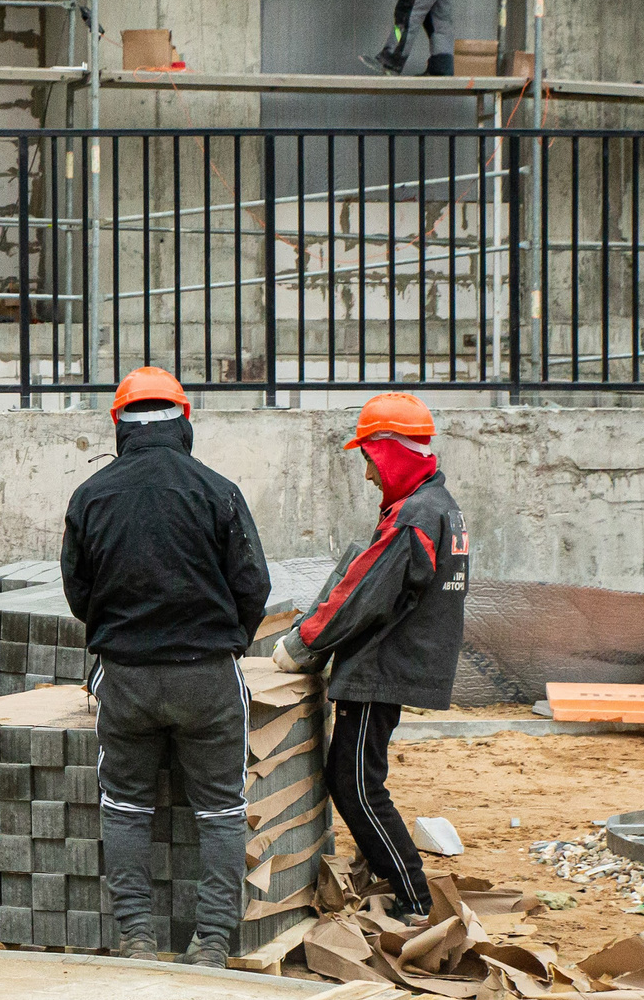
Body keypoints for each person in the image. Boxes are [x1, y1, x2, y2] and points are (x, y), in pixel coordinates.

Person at [60, 366, 271, 969]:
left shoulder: (91, 496)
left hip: (126, 678)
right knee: (221, 810)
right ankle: (211, 944)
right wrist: (227, 642)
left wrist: (122, 637)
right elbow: (252, 586)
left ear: (118, 425)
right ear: (185, 422)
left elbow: (80, 594)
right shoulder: (218, 491)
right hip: (207, 675)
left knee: (126, 806)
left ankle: (136, 938)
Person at [272, 392, 469, 925]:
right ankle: (398, 883)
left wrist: (305, 642)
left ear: (387, 453)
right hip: (395, 664)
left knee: (356, 785)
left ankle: (414, 898)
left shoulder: (415, 516)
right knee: (357, 779)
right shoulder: (436, 505)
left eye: (367, 460)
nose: (367, 477)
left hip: (380, 669)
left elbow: (363, 592)